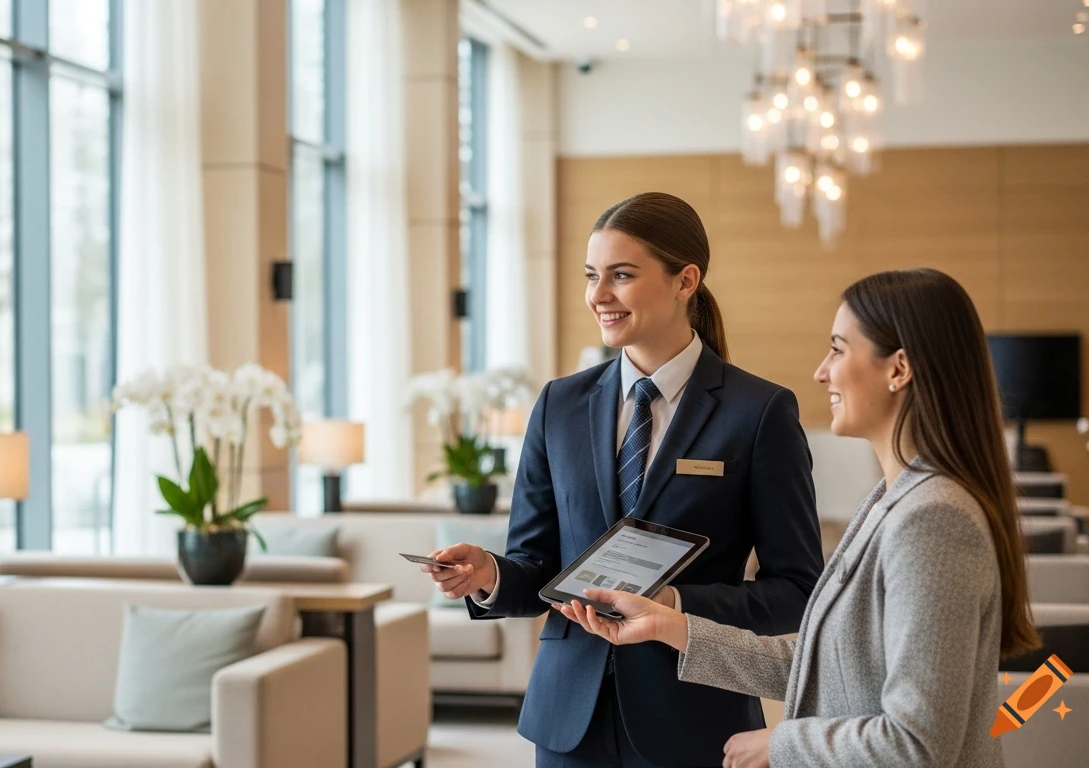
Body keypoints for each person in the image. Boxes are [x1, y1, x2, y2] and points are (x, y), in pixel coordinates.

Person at [559, 268, 1040, 768]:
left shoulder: (933, 519)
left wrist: (781, 744)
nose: (821, 371)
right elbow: (824, 669)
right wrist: (669, 625)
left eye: (838, 349)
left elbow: (918, 743)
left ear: (898, 369)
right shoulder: (891, 499)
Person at [424, 192, 825, 767]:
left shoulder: (758, 412)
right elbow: (537, 566)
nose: (598, 296)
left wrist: (672, 605)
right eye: (591, 276)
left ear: (686, 280)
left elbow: (797, 590)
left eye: (621, 275)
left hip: (695, 715)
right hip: (570, 719)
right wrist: (488, 575)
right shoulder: (558, 405)